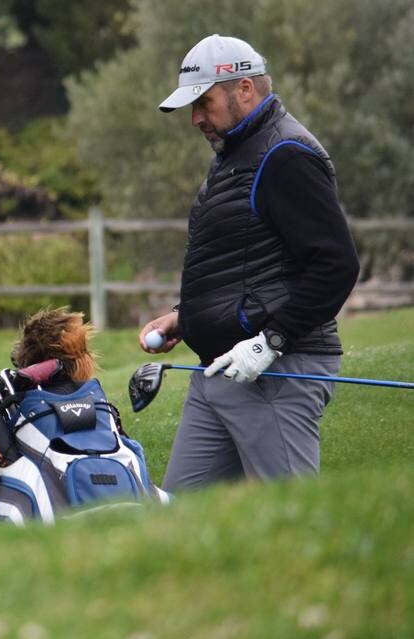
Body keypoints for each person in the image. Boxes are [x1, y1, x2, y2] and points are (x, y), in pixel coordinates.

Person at [138, 34, 359, 491]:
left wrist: (271, 340)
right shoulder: (234, 153)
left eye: (205, 102)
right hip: (219, 371)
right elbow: (243, 260)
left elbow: (335, 265)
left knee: (289, 524)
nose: (196, 118)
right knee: (180, 522)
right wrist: (189, 316)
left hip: (276, 372)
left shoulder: (286, 154)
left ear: (244, 90)